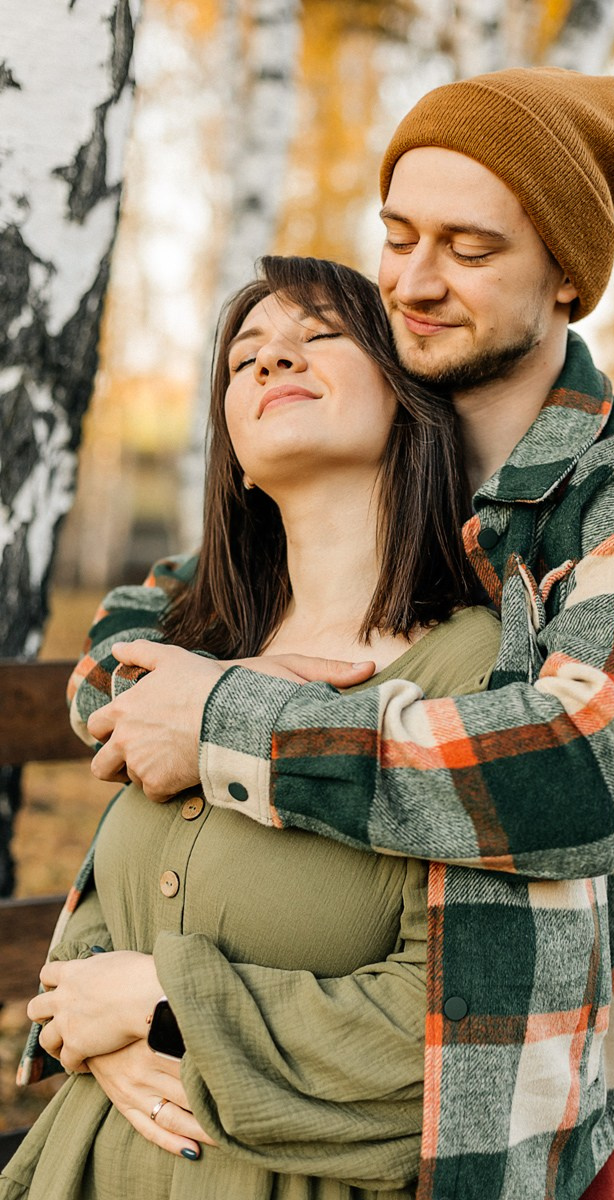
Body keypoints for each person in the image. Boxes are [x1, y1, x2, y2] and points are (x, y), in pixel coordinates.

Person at [24, 69, 614, 1200]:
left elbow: (588, 774)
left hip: (518, 1086)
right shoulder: (375, 445)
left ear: (564, 275)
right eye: (397, 236)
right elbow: (143, 629)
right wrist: (173, 692)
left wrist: (238, 720)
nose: (411, 280)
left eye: (467, 247)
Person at [2, 256, 503, 1200]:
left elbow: (458, 1045)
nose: (275, 359)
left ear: (408, 397)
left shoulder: (471, 675)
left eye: (320, 338)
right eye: (245, 358)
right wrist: (92, 1024)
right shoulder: (188, 654)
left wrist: (163, 1011)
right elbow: (104, 926)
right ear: (228, 439)